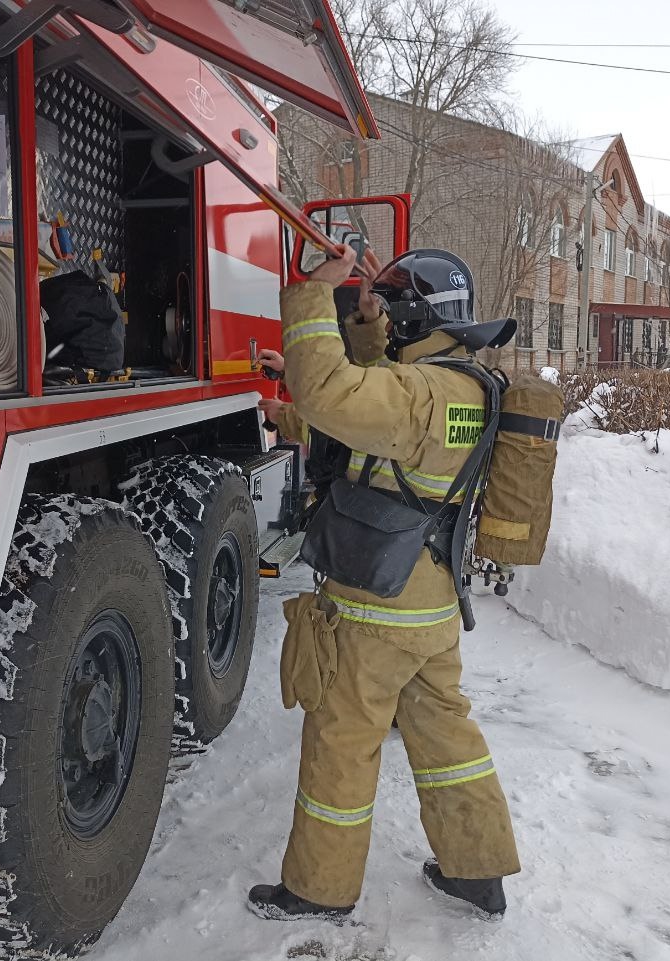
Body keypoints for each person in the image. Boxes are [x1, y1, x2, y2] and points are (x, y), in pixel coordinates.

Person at [249, 244, 520, 921]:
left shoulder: (419, 392)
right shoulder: (462, 385)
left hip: (376, 606)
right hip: (428, 605)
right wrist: (366, 331)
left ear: (412, 312)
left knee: (342, 740)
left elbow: (333, 394)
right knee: (446, 738)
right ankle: (476, 872)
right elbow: (368, 418)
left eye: (390, 308)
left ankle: (317, 889)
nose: (386, 319)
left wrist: (315, 295)